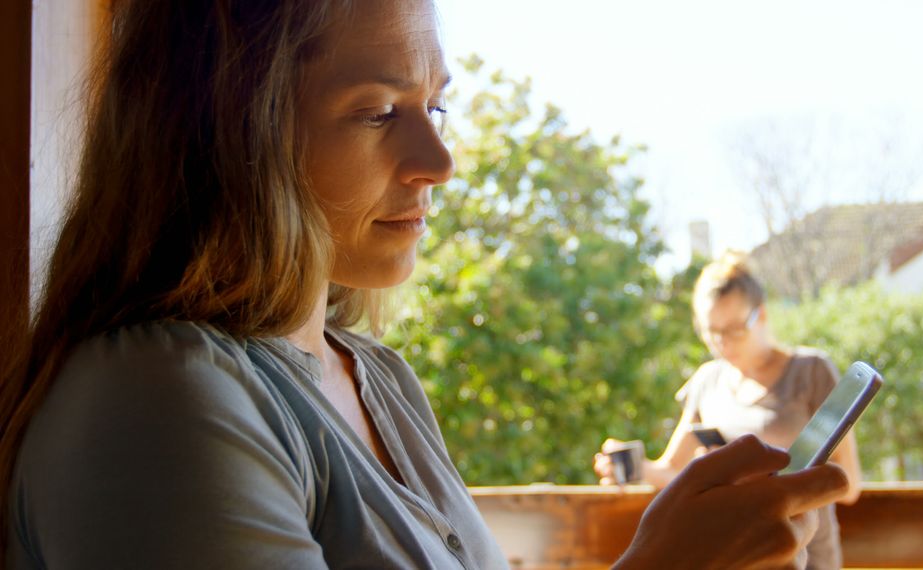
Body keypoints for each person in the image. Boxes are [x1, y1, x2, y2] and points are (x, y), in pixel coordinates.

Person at [0, 1, 848, 568]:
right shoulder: (153, 402)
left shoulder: (379, 379)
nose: (440, 163)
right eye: (378, 112)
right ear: (225, 133)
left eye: (434, 107)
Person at [594, 251, 863, 569]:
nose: (724, 344)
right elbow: (673, 474)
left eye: (735, 329)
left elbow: (849, 484)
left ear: (760, 315)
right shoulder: (707, 381)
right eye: (712, 332)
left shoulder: (811, 371)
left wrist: (773, 480)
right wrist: (633, 468)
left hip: (806, 554)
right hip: (734, 557)